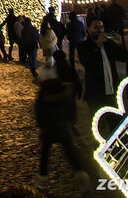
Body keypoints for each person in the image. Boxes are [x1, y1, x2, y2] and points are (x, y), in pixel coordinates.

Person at [34, 63, 93, 194]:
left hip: (49, 130)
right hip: (62, 128)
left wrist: (42, 125)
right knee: (72, 155)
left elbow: (39, 113)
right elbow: (70, 108)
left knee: (45, 156)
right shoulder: (64, 89)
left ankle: (42, 181)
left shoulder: (44, 93)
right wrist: (70, 121)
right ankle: (83, 178)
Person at [77, 18, 128, 115]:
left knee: (116, 122)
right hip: (96, 93)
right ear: (88, 29)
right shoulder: (83, 46)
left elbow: (124, 58)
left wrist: (120, 44)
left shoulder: (109, 44)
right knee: (99, 124)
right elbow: (88, 63)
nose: (99, 30)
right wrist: (97, 45)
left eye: (101, 27)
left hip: (112, 92)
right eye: (96, 27)